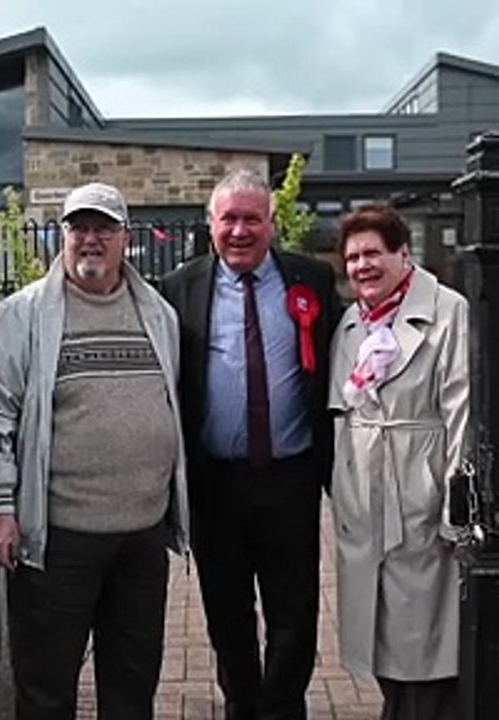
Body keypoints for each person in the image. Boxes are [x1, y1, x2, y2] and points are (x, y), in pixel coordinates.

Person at [0, 182, 190, 720]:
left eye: (103, 228)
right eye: (79, 227)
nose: (91, 239)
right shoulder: (21, 315)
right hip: (58, 541)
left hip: (141, 539)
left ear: (124, 237)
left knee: (132, 690)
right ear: (61, 236)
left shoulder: (158, 313)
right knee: (46, 693)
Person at [160, 168, 338, 720]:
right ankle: (241, 703)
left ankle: (282, 708)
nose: (240, 230)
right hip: (217, 481)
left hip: (291, 476)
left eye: (252, 218)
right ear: (210, 224)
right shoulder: (179, 288)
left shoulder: (311, 280)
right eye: (229, 218)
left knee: (295, 610)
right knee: (227, 613)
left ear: (272, 223)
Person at [327, 204, 469, 720]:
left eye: (374, 253)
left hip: (419, 488)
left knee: (425, 629)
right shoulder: (351, 323)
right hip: (366, 501)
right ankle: (395, 708)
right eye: (353, 257)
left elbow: (462, 411)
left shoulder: (448, 313)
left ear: (403, 254)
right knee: (380, 623)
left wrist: (455, 502)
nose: (362, 265)